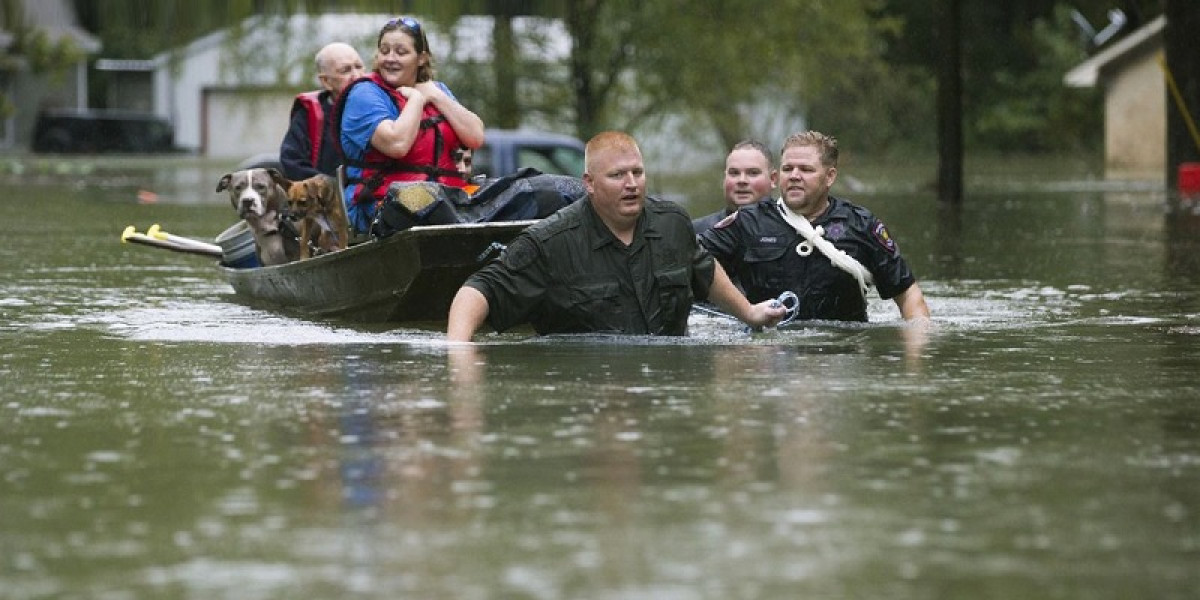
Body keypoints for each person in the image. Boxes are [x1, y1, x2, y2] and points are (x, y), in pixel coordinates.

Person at [446, 131, 785, 342]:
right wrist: (458, 353)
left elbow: (705, 271)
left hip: (667, 387)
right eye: (617, 175)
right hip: (592, 389)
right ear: (589, 183)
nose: (631, 183)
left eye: (637, 172)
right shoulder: (552, 240)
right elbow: (479, 289)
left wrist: (750, 314)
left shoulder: (672, 223)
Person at [698, 130, 931, 323]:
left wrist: (914, 364)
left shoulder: (860, 224)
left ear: (829, 177)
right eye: (788, 169)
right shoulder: (749, 221)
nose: (795, 176)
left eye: (806, 170)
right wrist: (746, 312)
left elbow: (908, 295)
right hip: (769, 360)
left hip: (843, 359)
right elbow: (696, 258)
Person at [333, 16, 485, 234]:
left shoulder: (436, 90)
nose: (390, 58)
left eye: (400, 52)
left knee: (539, 189)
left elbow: (475, 137)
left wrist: (436, 96)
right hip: (382, 204)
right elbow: (397, 144)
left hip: (446, 198)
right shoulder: (363, 94)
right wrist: (415, 100)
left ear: (421, 58)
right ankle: (466, 225)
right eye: (384, 51)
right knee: (428, 202)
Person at [279, 42, 365, 181]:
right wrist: (329, 187)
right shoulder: (310, 113)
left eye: (359, 66)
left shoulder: (380, 105)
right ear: (326, 81)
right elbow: (292, 163)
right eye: (345, 70)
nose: (357, 76)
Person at [692, 139, 777, 234]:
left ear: (773, 179)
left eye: (753, 173)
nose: (742, 180)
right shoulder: (698, 232)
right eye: (734, 173)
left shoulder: (791, 229)